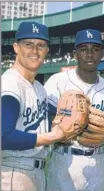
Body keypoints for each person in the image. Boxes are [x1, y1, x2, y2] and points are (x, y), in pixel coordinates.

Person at [1, 21, 72, 191]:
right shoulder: (10, 83)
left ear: (47, 51)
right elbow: (4, 136)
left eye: (40, 45)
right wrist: (52, 137)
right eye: (28, 44)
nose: (34, 51)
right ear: (16, 47)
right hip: (14, 170)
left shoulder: (39, 88)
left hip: (35, 171)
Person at [44, 29, 104, 191]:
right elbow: (45, 118)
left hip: (98, 161)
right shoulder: (57, 81)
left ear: (102, 54)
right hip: (65, 159)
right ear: (75, 53)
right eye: (84, 49)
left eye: (95, 49)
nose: (90, 54)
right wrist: (64, 127)